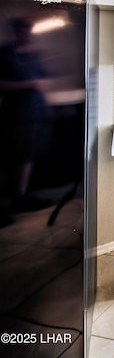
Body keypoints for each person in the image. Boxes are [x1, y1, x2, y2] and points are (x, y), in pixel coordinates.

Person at [0, 17, 51, 227]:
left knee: (28, 156)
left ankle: (20, 198)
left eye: (28, 30)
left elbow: (46, 78)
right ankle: (8, 202)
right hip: (14, 113)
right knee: (13, 157)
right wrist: (28, 84)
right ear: (16, 31)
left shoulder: (34, 53)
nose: (26, 34)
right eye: (23, 30)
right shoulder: (4, 53)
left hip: (35, 112)